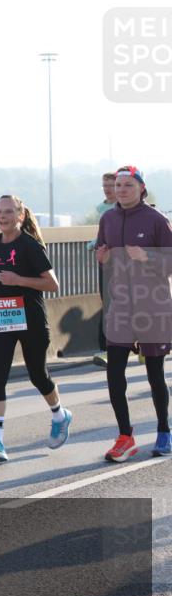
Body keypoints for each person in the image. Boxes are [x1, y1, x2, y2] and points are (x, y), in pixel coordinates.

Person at [0, 195, 73, 462]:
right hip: (1, 317)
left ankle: (60, 415)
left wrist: (19, 280)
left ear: (20, 216)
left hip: (31, 319)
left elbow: (52, 284)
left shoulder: (30, 245)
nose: (2, 216)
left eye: (7, 212)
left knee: (38, 376)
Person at [95, 165, 172, 461]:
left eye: (128, 185)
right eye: (118, 185)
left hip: (153, 305)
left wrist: (148, 255)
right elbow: (107, 257)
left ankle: (164, 431)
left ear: (141, 188)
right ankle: (125, 435)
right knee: (114, 373)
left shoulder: (156, 220)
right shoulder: (108, 218)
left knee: (154, 373)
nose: (122, 189)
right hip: (122, 306)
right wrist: (103, 258)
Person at [92, 172, 119, 368]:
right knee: (107, 303)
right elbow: (101, 233)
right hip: (106, 262)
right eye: (105, 185)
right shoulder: (101, 209)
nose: (108, 189)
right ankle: (106, 348)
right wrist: (94, 243)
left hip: (126, 263)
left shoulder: (126, 208)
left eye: (112, 185)